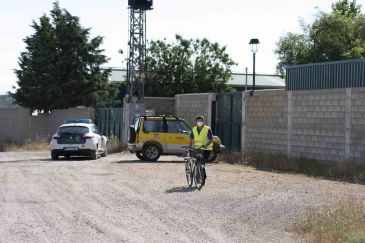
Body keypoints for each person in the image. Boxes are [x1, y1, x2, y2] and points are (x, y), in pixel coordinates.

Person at [189, 115, 213, 185]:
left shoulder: (207, 129)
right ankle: (199, 177)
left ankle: (202, 177)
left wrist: (206, 145)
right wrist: (190, 147)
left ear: (203, 121)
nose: (199, 122)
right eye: (198, 120)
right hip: (198, 149)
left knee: (201, 163)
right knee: (196, 162)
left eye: (201, 120)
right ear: (196, 122)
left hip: (206, 149)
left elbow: (211, 140)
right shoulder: (194, 129)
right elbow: (191, 138)